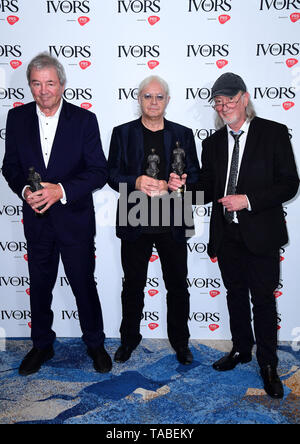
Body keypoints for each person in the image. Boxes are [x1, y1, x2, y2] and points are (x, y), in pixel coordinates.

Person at [169, 72, 299, 398]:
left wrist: (248, 201)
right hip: (227, 235)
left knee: (264, 302)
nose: (223, 105)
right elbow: (207, 189)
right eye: (218, 101)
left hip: (262, 235)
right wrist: (183, 185)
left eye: (229, 98)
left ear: (244, 97)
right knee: (234, 296)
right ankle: (241, 349)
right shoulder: (212, 143)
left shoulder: (273, 133)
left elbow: (289, 183)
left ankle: (268, 364)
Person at [2, 52, 112, 375]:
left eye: (50, 83)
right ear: (30, 86)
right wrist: (25, 191)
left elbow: (98, 172)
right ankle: (41, 345)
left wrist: (60, 190)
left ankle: (95, 344)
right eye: (36, 83)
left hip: (75, 221)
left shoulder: (84, 120)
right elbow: (10, 167)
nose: (43, 90)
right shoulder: (16, 119)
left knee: (83, 285)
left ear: (62, 84)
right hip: (36, 224)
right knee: (39, 286)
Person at [108, 75, 201, 365]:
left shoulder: (183, 134)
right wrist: (135, 180)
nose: (153, 102)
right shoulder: (122, 133)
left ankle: (180, 342)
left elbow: (196, 177)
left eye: (159, 97)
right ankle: (129, 339)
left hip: (173, 217)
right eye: (148, 96)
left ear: (168, 100)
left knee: (177, 286)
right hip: (135, 216)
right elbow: (110, 175)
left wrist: (179, 184)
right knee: (132, 285)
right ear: (139, 99)